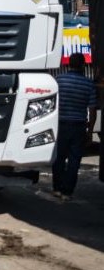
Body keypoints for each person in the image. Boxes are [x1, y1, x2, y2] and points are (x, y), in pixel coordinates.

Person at [52, 52, 98, 201]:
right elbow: (92, 110)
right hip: (78, 126)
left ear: (68, 64)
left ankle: (57, 188)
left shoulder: (59, 81)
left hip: (60, 125)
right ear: (83, 65)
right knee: (74, 161)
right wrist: (90, 131)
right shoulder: (88, 84)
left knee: (59, 158)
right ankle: (67, 192)